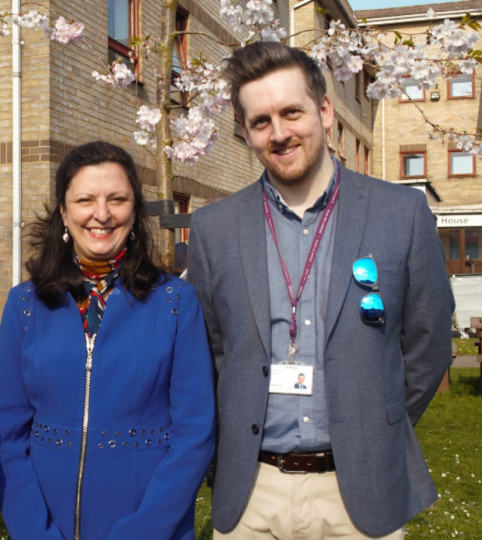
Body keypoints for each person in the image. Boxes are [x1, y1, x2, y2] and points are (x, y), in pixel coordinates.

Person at [187, 41, 454, 539]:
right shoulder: (213, 228)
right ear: (244, 133)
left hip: (360, 494)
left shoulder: (402, 214)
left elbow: (429, 343)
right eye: (261, 121)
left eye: (292, 112)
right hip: (251, 494)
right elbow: (210, 353)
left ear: (325, 111)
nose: (280, 133)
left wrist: (377, 424)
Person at [0, 141, 215, 539]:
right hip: (45, 527)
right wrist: (34, 532)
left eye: (117, 199)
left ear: (134, 207)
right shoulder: (24, 305)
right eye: (84, 199)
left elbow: (194, 435)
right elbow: (8, 433)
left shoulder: (177, 303)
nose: (102, 214)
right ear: (63, 210)